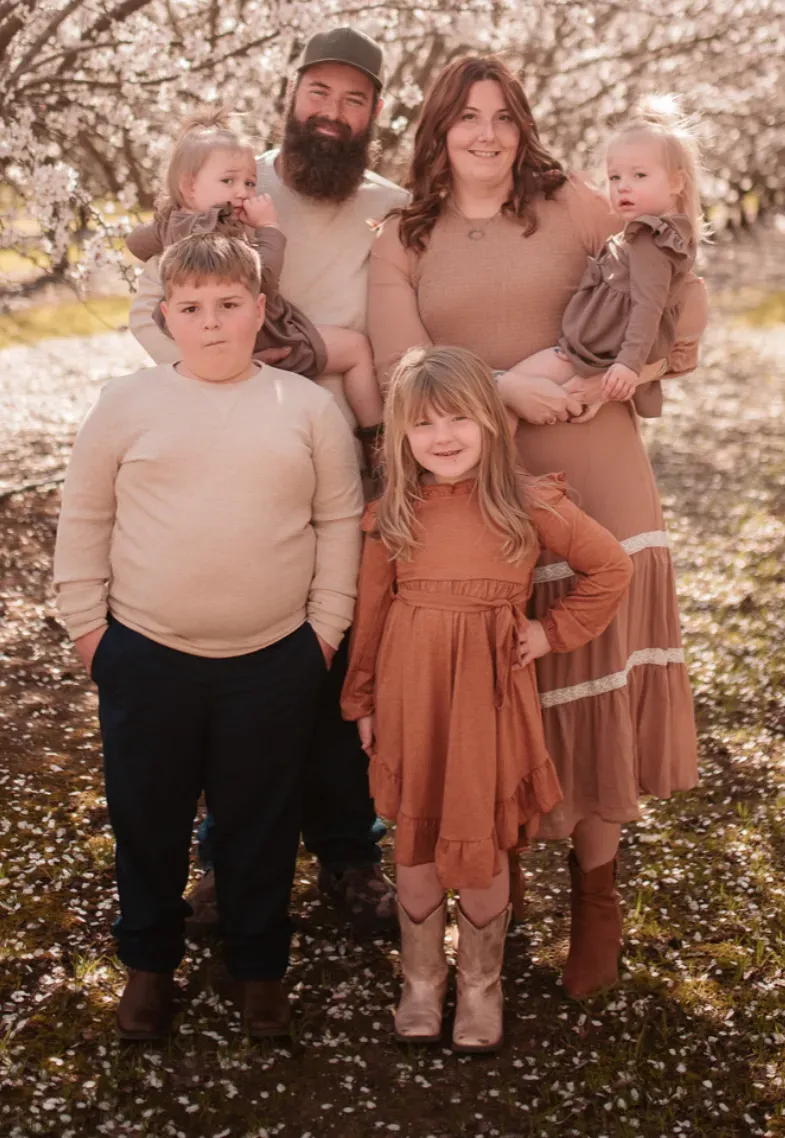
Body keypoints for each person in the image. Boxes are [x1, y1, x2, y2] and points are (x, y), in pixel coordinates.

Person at [367, 56, 708, 999]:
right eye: (465, 117)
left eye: (502, 117)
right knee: (502, 687)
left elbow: (676, 285)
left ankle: (595, 897)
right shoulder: (401, 236)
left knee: (597, 683)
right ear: (436, 130)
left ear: (523, 127)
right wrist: (501, 387)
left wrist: (636, 371)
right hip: (480, 494)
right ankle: (493, 897)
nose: (484, 134)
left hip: (598, 473)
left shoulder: (575, 205)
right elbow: (403, 366)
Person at [128, 26, 409, 927]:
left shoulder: (392, 206)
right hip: (236, 453)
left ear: (374, 113)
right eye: (318, 93)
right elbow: (150, 311)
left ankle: (345, 854)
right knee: (244, 651)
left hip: (349, 464)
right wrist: (234, 375)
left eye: (353, 99)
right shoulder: (232, 184)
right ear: (290, 96)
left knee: (335, 663)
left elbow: (404, 331)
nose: (333, 113)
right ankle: (228, 860)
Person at [53, 233, 363, 1040]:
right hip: (147, 654)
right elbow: (86, 517)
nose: (213, 323)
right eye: (192, 309)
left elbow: (337, 522)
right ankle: (148, 969)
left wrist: (323, 632)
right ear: (167, 318)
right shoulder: (128, 403)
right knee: (147, 819)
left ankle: (259, 970)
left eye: (230, 306)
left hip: (272, 659)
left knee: (260, 824)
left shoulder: (306, 408)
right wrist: (92, 632)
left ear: (260, 312)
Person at [341, 345, 633, 1051]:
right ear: (400, 437)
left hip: (488, 699)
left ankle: (478, 986)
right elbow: (372, 615)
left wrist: (549, 632)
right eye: (423, 425)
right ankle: (420, 982)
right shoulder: (396, 514)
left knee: (482, 844)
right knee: (411, 847)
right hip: (411, 696)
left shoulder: (526, 503)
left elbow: (610, 567)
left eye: (458, 420)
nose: (442, 437)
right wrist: (364, 701)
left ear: (493, 424)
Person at [126, 110, 385, 465]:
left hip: (212, 340)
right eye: (229, 181)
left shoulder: (172, 224)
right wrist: (268, 229)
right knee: (355, 348)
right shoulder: (225, 234)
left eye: (249, 183)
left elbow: (135, 244)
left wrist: (167, 225)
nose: (241, 192)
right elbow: (263, 279)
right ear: (189, 186)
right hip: (270, 335)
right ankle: (376, 439)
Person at [501, 102, 705, 420]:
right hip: (596, 355)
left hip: (580, 356)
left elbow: (647, 307)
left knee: (502, 398)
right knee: (524, 403)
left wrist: (628, 364)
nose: (623, 185)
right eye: (614, 177)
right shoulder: (657, 235)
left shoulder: (650, 240)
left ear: (677, 183)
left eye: (639, 175)